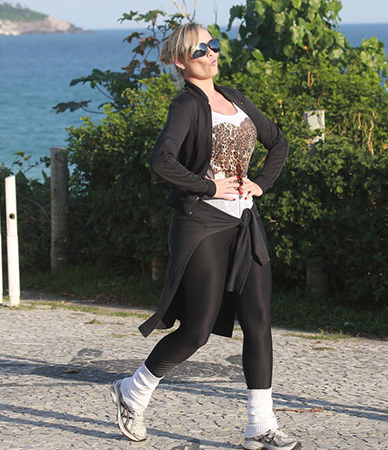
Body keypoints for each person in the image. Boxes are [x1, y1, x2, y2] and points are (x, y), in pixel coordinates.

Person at [109, 23, 300, 450]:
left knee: (259, 323)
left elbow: (279, 142)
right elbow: (162, 161)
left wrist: (261, 184)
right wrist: (208, 186)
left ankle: (260, 425)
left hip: (244, 223)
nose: (212, 52)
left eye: (214, 44)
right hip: (201, 224)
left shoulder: (236, 97)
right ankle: (133, 391)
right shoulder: (186, 105)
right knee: (196, 330)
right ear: (181, 61)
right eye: (201, 49)